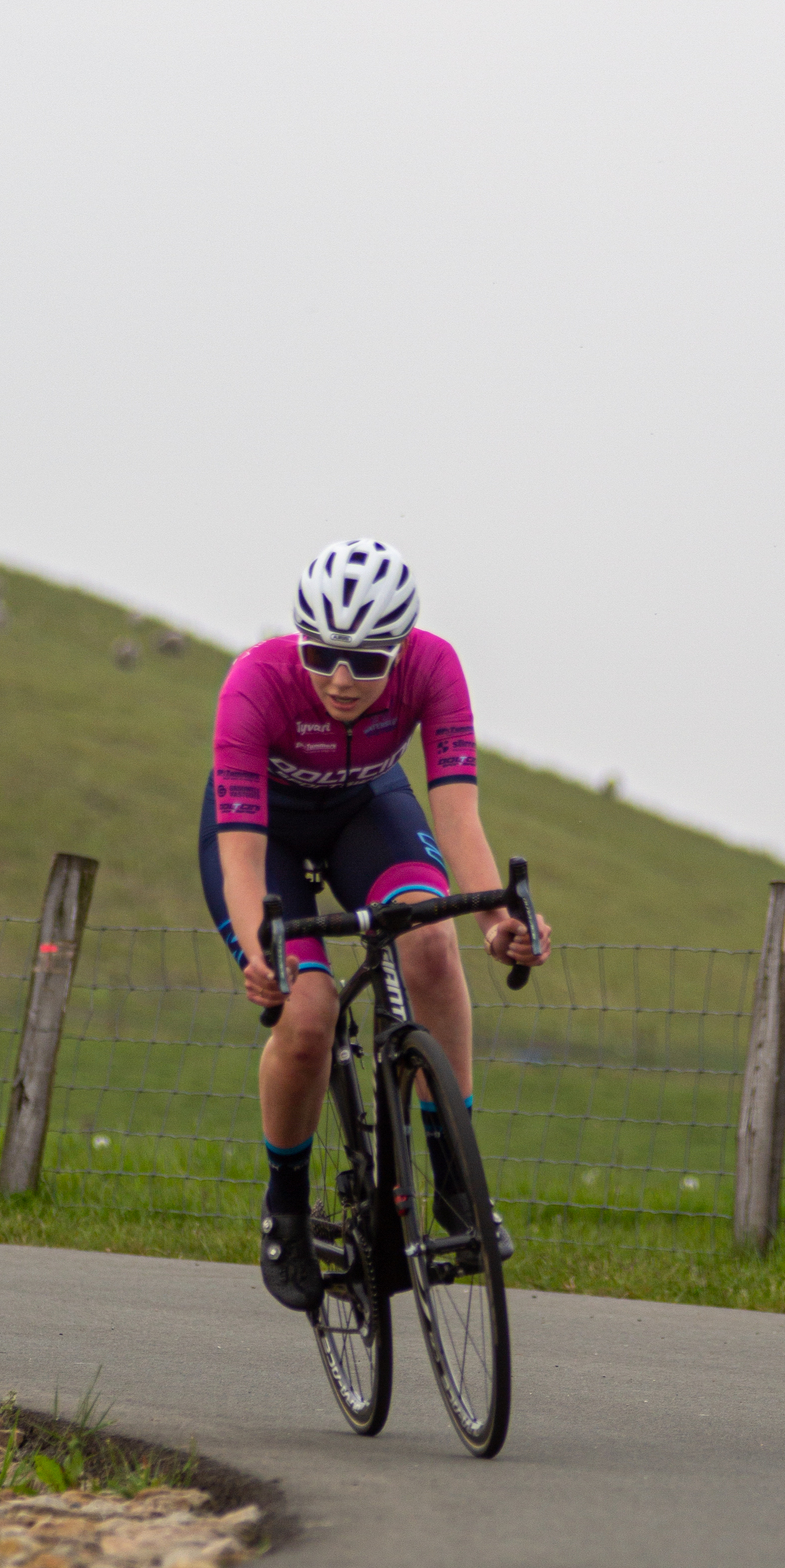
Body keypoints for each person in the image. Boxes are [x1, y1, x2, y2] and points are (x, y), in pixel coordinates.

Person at [200, 537, 551, 1313]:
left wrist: (496, 916)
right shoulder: (254, 685)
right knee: (310, 1012)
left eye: (367, 660)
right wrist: (262, 950)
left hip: (366, 809)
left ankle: (456, 1180)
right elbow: (243, 854)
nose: (341, 678)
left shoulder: (434, 667)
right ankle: (286, 1206)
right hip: (272, 839)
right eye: (322, 654)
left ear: (402, 649)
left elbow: (457, 816)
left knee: (431, 942)